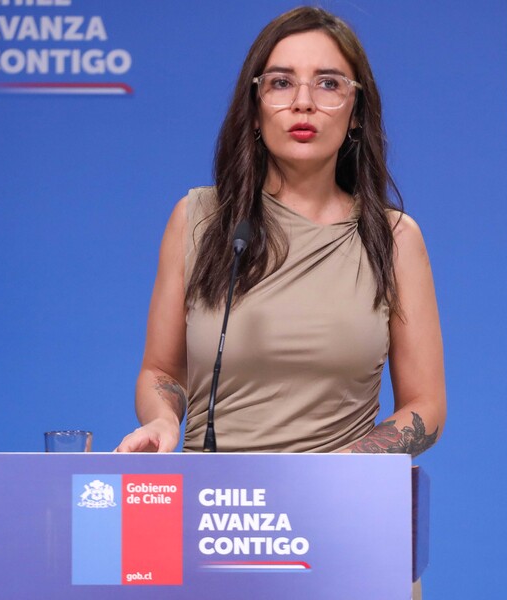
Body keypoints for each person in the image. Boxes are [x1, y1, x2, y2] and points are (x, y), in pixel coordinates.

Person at [116, 6, 445, 459]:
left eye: (328, 83)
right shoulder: (199, 218)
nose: (303, 102)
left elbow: (426, 405)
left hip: (336, 496)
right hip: (210, 495)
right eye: (281, 83)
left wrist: (345, 468)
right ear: (254, 110)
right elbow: (161, 371)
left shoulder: (394, 238)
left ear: (356, 112)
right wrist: (162, 419)